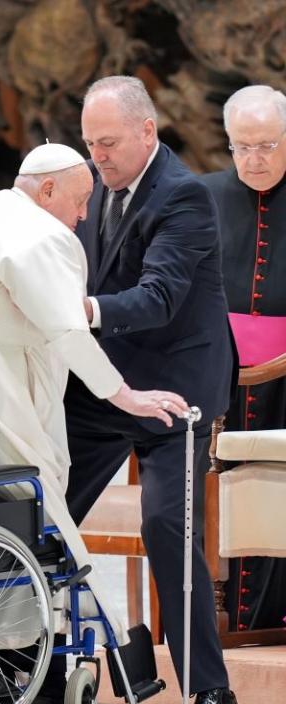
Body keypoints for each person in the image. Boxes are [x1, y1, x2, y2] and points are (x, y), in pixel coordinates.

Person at [0, 142, 188, 704]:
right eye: (79, 202)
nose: (81, 216)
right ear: (48, 189)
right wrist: (125, 396)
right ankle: (67, 668)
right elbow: (69, 332)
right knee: (34, 507)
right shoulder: (42, 234)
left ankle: (1, 672)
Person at [60, 76, 239, 704]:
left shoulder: (185, 196)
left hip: (174, 390)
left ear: (146, 132)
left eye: (107, 143)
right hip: (110, 384)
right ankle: (23, 667)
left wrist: (72, 310)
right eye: (88, 143)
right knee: (37, 501)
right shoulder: (91, 184)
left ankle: (211, 690)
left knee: (167, 526)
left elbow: (158, 298)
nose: (96, 156)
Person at [202, 85, 286, 634]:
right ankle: (214, 626)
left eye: (266, 145)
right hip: (217, 375)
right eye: (241, 148)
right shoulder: (203, 196)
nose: (253, 159)